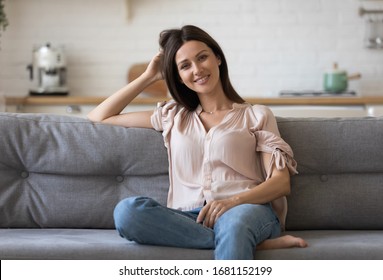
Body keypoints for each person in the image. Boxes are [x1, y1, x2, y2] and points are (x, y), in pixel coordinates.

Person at [87, 25, 307, 259]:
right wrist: (148, 76)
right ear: (179, 77)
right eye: (185, 66)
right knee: (127, 212)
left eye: (202, 57)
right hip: (189, 217)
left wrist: (232, 202)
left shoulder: (256, 115)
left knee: (235, 224)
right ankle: (246, 243)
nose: (197, 69)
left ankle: (239, 235)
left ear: (218, 59)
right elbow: (100, 116)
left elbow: (281, 183)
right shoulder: (173, 116)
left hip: (246, 210)